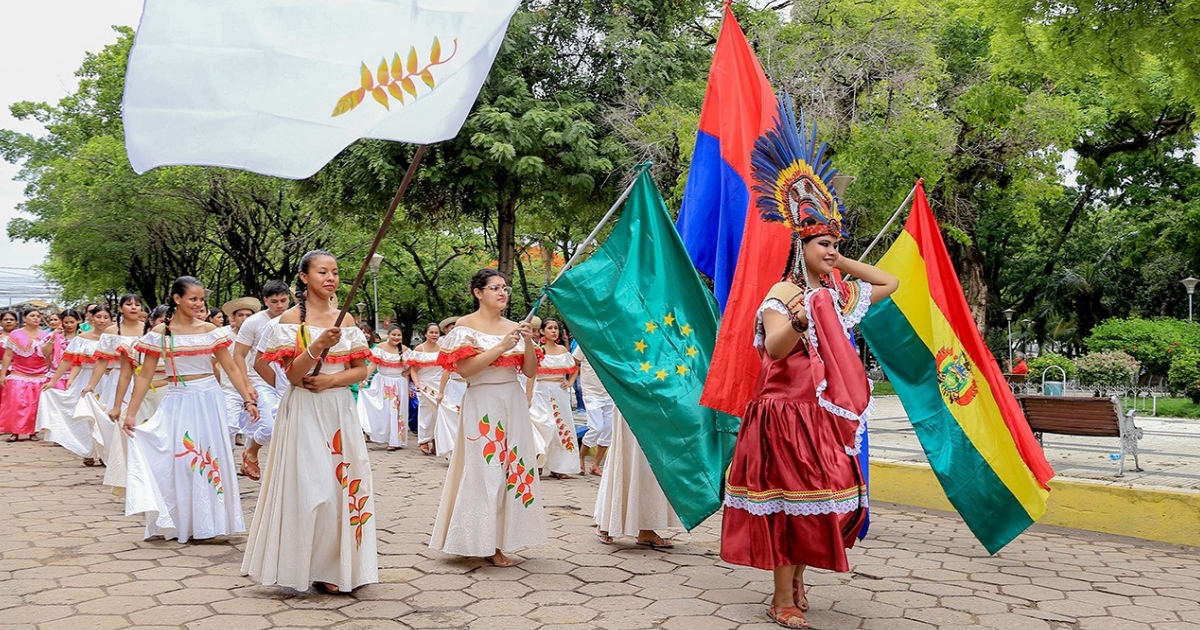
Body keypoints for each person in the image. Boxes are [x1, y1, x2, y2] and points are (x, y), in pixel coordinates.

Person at [718, 110, 899, 629]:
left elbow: (888, 283)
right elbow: (774, 349)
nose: (832, 252)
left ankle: (797, 581)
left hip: (818, 417)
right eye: (823, 244)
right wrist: (799, 316)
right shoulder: (785, 294)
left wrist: (839, 264)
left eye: (835, 245)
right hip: (782, 414)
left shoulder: (834, 296)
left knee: (819, 503)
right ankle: (782, 598)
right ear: (800, 246)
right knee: (786, 504)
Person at [242, 250, 377, 594]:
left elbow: (362, 370)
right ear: (304, 277)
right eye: (322, 272)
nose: (330, 278)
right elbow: (291, 374)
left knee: (341, 486)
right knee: (311, 486)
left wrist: (332, 380)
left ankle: (335, 567)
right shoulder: (288, 321)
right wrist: (317, 345)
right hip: (303, 409)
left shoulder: (345, 320)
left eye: (335, 272)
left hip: (338, 409)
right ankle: (302, 564)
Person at [120, 276, 259, 543]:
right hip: (177, 400)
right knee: (182, 460)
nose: (198, 304)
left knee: (209, 458)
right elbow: (145, 374)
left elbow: (230, 367)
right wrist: (131, 412)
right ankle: (181, 521)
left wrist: (248, 399)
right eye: (193, 299)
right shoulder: (161, 334)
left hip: (209, 400)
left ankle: (210, 523)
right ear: (177, 299)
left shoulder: (210, 330)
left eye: (201, 299)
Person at [430, 269, 546, 567]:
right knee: (485, 469)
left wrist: (528, 342)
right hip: (482, 401)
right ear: (478, 292)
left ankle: (502, 539)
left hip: (513, 400)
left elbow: (531, 372)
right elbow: (467, 370)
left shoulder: (515, 327)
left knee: (514, 468)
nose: (502, 292)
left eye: (505, 288)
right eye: (495, 287)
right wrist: (501, 347)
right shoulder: (465, 327)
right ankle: (481, 540)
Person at [593, 404, 682, 549]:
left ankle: (646, 529)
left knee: (651, 466)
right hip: (629, 398)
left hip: (657, 402)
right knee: (627, 456)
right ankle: (607, 521)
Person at [233, 282, 290, 481]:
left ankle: (284, 471)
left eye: (283, 300)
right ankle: (252, 450)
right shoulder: (253, 323)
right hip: (261, 380)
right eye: (274, 301)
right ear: (265, 301)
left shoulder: (294, 319)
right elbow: (239, 355)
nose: (279, 305)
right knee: (269, 427)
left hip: (290, 380)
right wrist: (246, 384)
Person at [528, 317, 581, 478]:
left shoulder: (563, 351)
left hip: (559, 392)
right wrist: (528, 395)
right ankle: (537, 462)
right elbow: (530, 374)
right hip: (541, 391)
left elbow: (574, 367)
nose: (554, 331)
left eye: (556, 328)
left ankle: (559, 466)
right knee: (543, 425)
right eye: (550, 328)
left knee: (561, 427)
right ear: (542, 331)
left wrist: (570, 381)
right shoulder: (538, 350)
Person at [358, 326, 413, 451]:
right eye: (393, 335)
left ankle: (395, 441)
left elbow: (413, 366)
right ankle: (383, 435)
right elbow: (372, 365)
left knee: (397, 412)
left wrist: (407, 373)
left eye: (399, 335)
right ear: (388, 335)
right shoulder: (380, 348)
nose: (396, 337)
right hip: (382, 382)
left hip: (399, 384)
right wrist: (364, 380)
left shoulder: (405, 350)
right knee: (384, 410)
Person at [0, 307, 51, 442]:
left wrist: (50, 372)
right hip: (19, 373)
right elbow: (8, 355)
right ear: (24, 318)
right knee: (15, 403)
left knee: (35, 405)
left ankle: (33, 432)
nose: (36, 318)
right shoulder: (15, 334)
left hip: (40, 375)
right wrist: (3, 374)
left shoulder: (45, 335)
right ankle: (14, 432)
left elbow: (48, 356)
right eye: (32, 316)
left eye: (38, 316)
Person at [217, 296, 262, 447]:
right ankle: (227, 463)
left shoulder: (259, 334)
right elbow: (212, 362)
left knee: (256, 427)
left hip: (255, 386)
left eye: (248, 315)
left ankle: (249, 459)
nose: (244, 318)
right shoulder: (223, 334)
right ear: (233, 317)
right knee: (229, 426)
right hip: (230, 388)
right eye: (240, 315)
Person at [573, 347, 612, 475]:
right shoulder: (585, 341)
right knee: (597, 427)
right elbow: (574, 361)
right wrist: (572, 380)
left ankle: (595, 464)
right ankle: (580, 457)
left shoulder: (611, 341)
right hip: (591, 392)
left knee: (609, 430)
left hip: (609, 393)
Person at [410, 322, 443, 455]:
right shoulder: (419, 349)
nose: (434, 335)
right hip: (424, 385)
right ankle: (424, 440)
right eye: (431, 332)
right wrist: (416, 383)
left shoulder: (443, 348)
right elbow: (413, 369)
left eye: (436, 332)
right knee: (425, 412)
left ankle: (436, 440)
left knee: (439, 413)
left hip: (439, 384)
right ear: (425, 334)